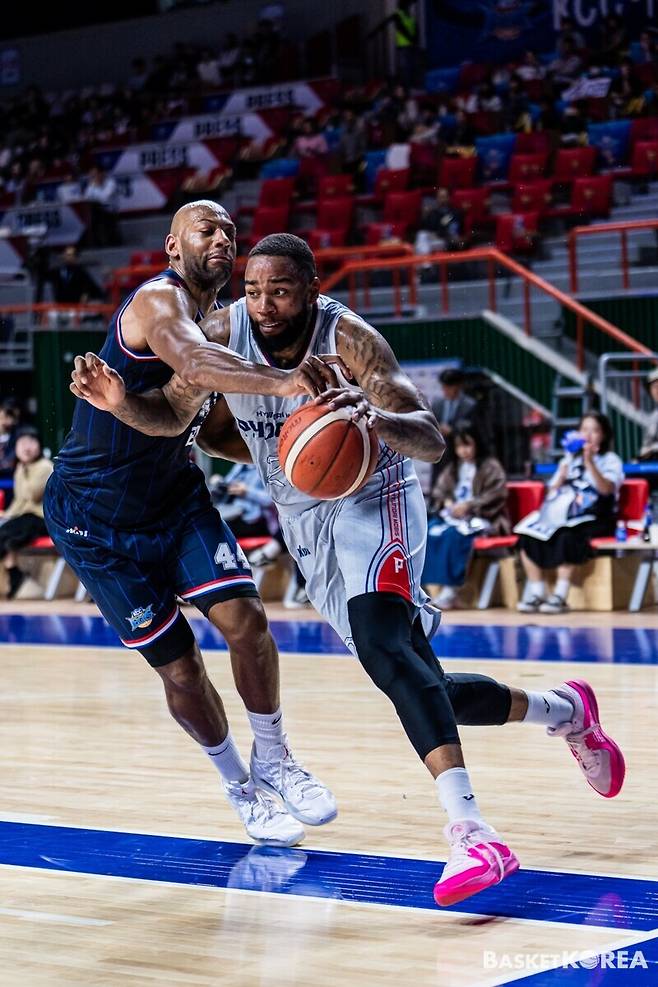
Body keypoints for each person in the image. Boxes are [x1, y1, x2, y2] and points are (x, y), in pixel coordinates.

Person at [72, 233, 626, 909]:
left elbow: (430, 436)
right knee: (421, 684)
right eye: (253, 290)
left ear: (311, 290)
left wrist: (372, 418)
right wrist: (120, 403)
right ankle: (565, 710)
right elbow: (170, 414)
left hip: (375, 495)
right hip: (304, 519)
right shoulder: (222, 335)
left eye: (280, 291)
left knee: (387, 650)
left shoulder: (350, 339)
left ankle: (473, 833)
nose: (264, 305)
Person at [44, 200, 338, 850]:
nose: (223, 237)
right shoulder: (159, 302)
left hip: (173, 499)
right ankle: (241, 786)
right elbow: (197, 365)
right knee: (181, 668)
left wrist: (295, 457)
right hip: (94, 518)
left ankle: (274, 757)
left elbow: (182, 421)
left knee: (248, 623)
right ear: (173, 246)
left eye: (230, 230)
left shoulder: (220, 324)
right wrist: (287, 381)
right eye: (207, 228)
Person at [516, 412, 624, 615]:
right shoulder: (569, 458)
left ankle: (560, 595)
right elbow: (551, 492)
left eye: (595, 430)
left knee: (567, 536)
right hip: (563, 514)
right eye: (585, 429)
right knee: (527, 535)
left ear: (604, 435)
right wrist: (561, 478)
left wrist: (590, 463)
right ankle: (537, 592)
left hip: (596, 516)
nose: (589, 435)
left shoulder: (610, 460)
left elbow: (606, 489)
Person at [424, 426, 509, 609]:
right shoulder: (453, 467)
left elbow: (497, 494)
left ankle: (451, 590)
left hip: (484, 518)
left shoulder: (491, 467)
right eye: (459, 446)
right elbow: (439, 492)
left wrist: (469, 506)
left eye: (468, 445)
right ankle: (427, 589)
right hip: (454, 517)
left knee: (454, 535)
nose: (464, 450)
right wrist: (447, 502)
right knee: (431, 531)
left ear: (477, 444)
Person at [0, 426, 52, 598]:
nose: (26, 447)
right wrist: (7, 514)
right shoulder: (21, 468)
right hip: (25, 518)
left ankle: (15, 574)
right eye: (21, 443)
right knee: (5, 532)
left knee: (8, 533)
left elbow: (32, 495)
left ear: (39, 445)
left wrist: (24, 470)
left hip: (41, 518)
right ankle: (14, 572)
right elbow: (19, 500)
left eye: (31, 442)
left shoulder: (45, 467)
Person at [638, 366, 658, 461]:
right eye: (654, 387)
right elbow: (646, 446)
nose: (657, 390)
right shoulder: (654, 415)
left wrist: (653, 449)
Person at [0, 399, 20, 479]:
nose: (3, 421)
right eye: (1, 418)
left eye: (6, 417)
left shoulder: (18, 436)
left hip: (11, 477)